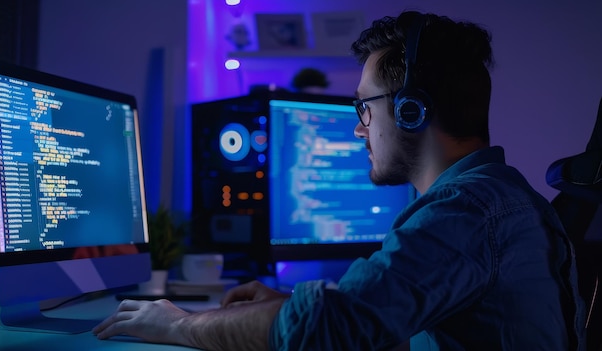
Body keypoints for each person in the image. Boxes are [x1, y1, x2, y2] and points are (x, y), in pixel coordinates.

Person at [93, 10, 586, 350]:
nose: (357, 128)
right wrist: (287, 305)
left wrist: (180, 324)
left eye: (363, 107)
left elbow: (324, 331)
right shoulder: (501, 197)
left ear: (411, 111)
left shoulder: (464, 211)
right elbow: (381, 320)